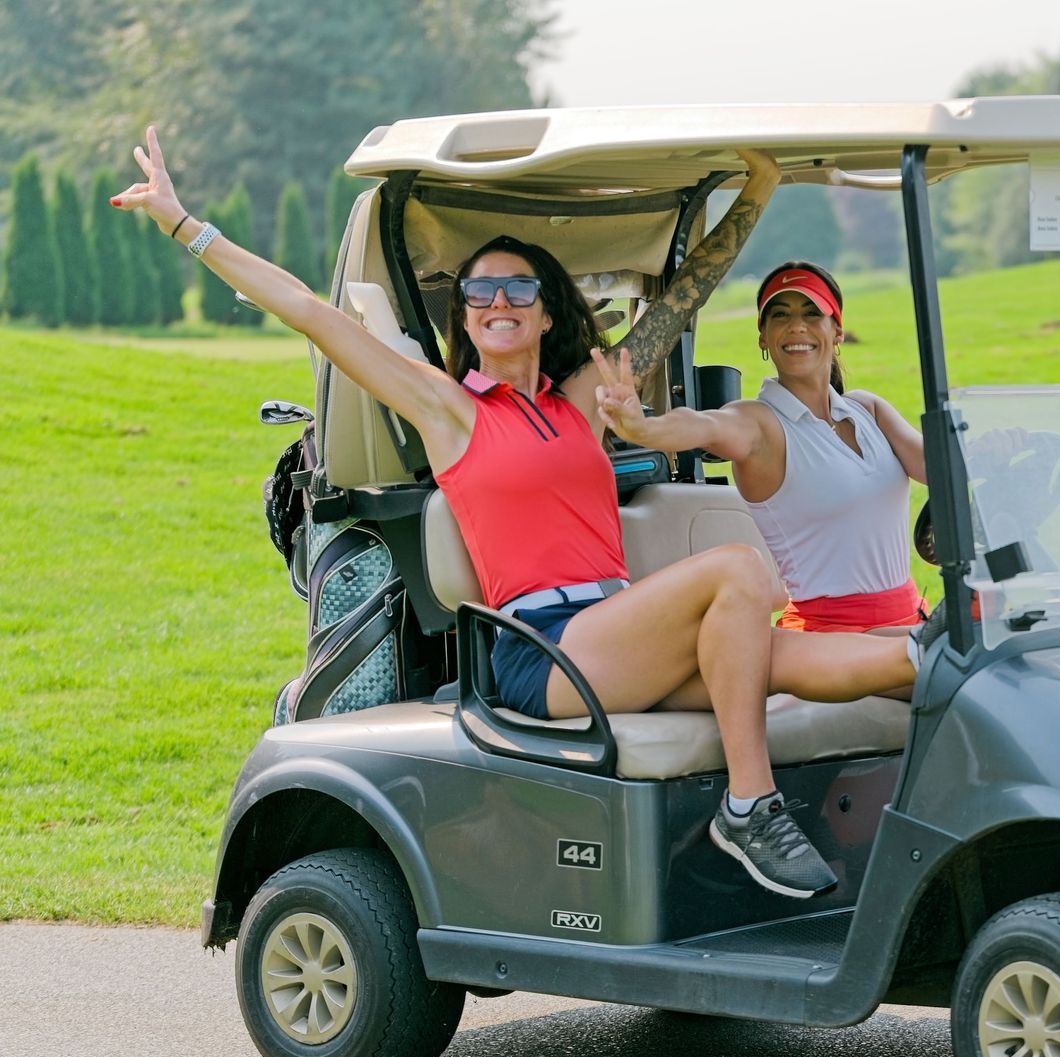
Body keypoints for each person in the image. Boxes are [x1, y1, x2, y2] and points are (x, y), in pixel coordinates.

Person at [111, 126, 918, 900]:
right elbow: (308, 312)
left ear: (543, 312)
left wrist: (758, 190)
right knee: (741, 572)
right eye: (480, 291)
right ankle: (749, 808)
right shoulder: (449, 412)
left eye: (518, 288)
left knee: (876, 664)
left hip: (616, 638)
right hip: (543, 654)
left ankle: (947, 701)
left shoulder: (581, 401)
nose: (499, 300)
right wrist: (184, 224)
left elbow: (682, 297)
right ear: (464, 315)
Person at [622, 262, 929, 632]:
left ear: (838, 331)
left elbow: (937, 465)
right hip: (832, 635)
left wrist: (997, 450)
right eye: (780, 315)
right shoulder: (759, 423)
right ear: (763, 337)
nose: (796, 325)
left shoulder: (867, 409)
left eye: (812, 313)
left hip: (909, 618)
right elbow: (705, 425)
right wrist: (646, 429)